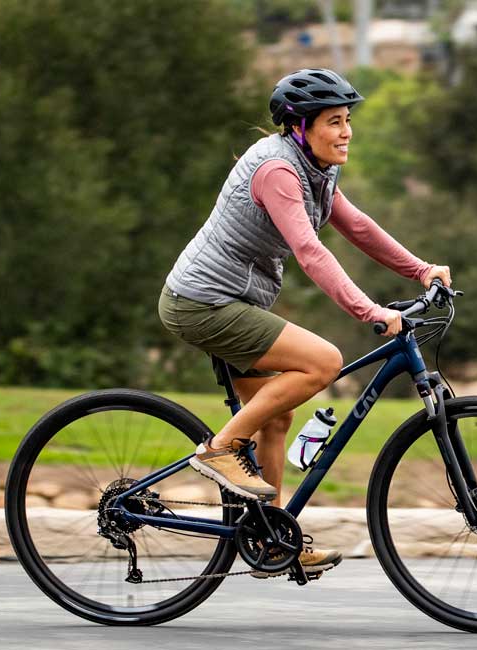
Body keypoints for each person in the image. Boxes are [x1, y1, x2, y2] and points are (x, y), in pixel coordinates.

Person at [158, 69, 451, 576]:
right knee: (322, 363)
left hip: (231, 302)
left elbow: (357, 226)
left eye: (347, 120)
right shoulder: (278, 172)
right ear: (300, 127)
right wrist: (371, 311)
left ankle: (270, 538)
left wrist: (421, 269)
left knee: (277, 416)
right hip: (203, 302)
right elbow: (310, 252)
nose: (346, 132)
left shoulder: (315, 169)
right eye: (334, 122)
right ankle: (218, 449)